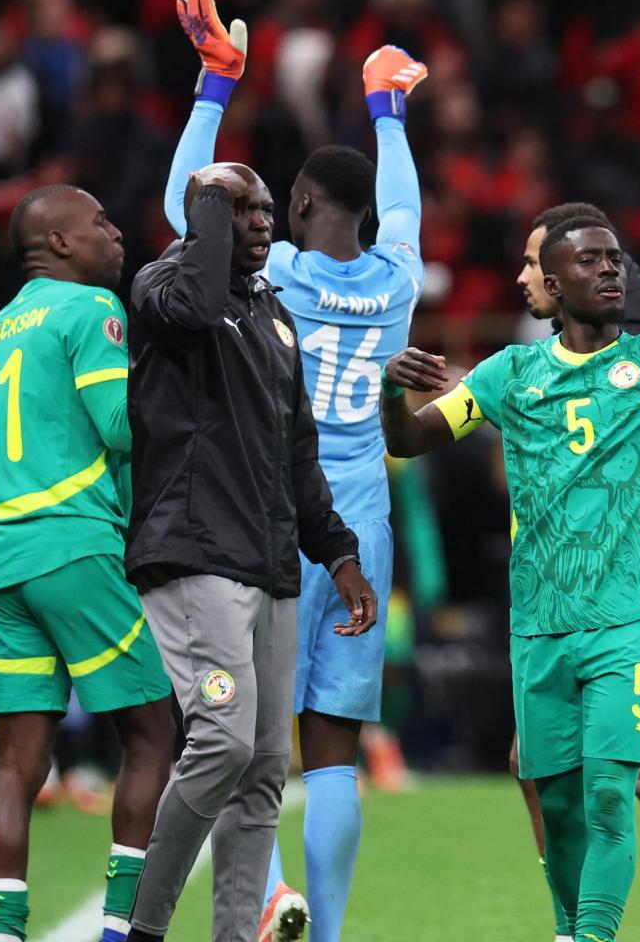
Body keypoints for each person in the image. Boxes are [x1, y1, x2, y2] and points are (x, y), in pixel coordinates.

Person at [379, 209, 640, 942]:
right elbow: (413, 440)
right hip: (539, 626)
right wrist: (392, 390)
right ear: (552, 282)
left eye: (615, 259)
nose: (610, 269)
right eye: (590, 260)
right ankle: (572, 929)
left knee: (612, 795)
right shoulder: (508, 374)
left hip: (626, 622)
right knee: (560, 804)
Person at [159, 0, 428, 936]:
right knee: (336, 749)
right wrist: (387, 107)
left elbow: (185, 204)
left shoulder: (275, 278)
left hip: (268, 512)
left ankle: (272, 892)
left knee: (251, 734)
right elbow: (400, 204)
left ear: (300, 203)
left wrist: (215, 88)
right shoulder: (400, 281)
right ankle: (333, 924)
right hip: (360, 517)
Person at [123, 162, 377, 942]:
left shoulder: (273, 314)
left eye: (266, 209)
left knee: (264, 769)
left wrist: (338, 554)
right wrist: (205, 203)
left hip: (269, 565)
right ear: (203, 218)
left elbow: (296, 449)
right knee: (223, 741)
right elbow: (196, 304)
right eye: (241, 210)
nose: (263, 222)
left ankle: (234, 935)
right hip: (196, 553)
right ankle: (139, 926)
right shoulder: (163, 286)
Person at [0, 186, 175, 942]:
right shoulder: (92, 310)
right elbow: (122, 429)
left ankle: (2, 932)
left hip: (1, 554)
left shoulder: (1, 324)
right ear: (58, 242)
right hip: (73, 542)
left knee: (18, 761)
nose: (117, 233)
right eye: (101, 223)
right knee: (155, 732)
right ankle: (122, 926)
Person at [504, 203, 640, 942]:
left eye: (533, 263)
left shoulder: (632, 317)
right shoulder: (544, 351)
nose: (525, 277)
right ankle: (574, 925)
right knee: (543, 765)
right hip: (575, 587)